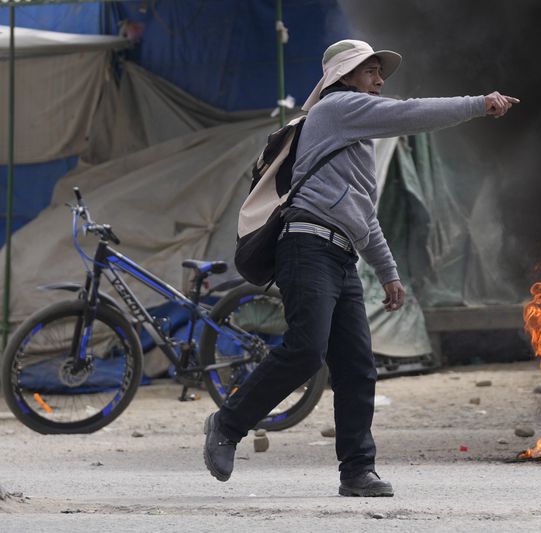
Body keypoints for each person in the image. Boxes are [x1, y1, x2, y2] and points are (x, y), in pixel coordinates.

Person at [203, 39, 518, 497]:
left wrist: (388, 272)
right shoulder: (336, 110)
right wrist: (477, 103)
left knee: (356, 367)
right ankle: (227, 425)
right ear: (344, 77)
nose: (379, 80)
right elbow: (409, 114)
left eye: (379, 72)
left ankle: (357, 470)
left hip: (341, 255)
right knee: (307, 351)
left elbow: (364, 214)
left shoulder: (354, 137)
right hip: (307, 245)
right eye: (371, 71)